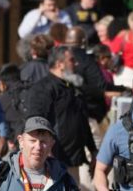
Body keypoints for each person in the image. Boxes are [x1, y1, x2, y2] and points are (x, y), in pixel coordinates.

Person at [25, 45, 95, 182]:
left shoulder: (71, 88)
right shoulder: (43, 88)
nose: (76, 63)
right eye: (72, 60)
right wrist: (47, 155)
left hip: (73, 160)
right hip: (51, 162)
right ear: (60, 64)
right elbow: (36, 122)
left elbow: (82, 121)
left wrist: (93, 150)